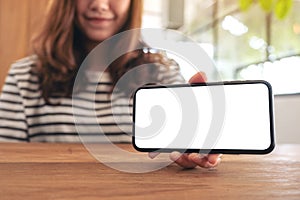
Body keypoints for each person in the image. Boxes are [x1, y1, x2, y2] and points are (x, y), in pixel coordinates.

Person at [0, 0, 221, 168]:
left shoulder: (162, 73)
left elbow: (183, 144)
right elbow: (6, 158)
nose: (100, 5)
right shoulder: (25, 74)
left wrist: (191, 145)